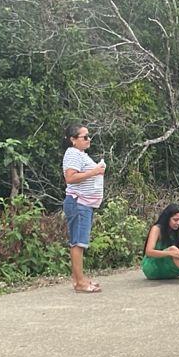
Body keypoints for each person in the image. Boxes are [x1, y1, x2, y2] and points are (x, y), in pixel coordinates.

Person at [62, 123, 106, 293]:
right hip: (78, 202)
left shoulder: (80, 154)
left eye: (89, 136)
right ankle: (80, 282)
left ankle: (79, 279)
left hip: (84, 203)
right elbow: (70, 178)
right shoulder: (73, 154)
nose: (89, 139)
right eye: (85, 137)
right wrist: (94, 172)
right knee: (78, 243)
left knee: (79, 242)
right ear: (73, 140)